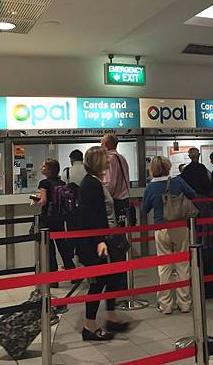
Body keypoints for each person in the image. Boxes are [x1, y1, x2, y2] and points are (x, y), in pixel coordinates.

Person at [78, 146, 129, 340]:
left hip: (105, 237)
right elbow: (93, 215)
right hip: (99, 241)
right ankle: (89, 326)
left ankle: (111, 315)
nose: (109, 162)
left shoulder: (94, 181)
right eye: (106, 159)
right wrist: (100, 240)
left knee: (113, 278)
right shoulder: (91, 184)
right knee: (98, 283)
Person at [142, 156, 196, 314]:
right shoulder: (178, 182)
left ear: (152, 169)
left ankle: (165, 305)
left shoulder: (150, 187)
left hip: (161, 228)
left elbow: (144, 209)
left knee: (164, 268)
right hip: (179, 226)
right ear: (168, 167)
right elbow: (192, 194)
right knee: (183, 266)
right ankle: (184, 303)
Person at [32, 158, 75, 286]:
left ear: (49, 170)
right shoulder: (61, 182)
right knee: (62, 246)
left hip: (47, 219)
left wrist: (35, 200)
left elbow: (44, 200)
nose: (41, 168)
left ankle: (54, 279)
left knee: (49, 249)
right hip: (59, 218)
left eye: (43, 166)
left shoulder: (44, 183)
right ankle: (73, 273)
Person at [101, 134, 133, 226]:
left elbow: (110, 183)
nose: (101, 146)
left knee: (114, 231)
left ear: (107, 144)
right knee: (122, 230)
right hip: (124, 201)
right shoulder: (122, 158)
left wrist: (104, 198)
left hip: (115, 203)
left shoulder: (109, 159)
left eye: (102, 144)